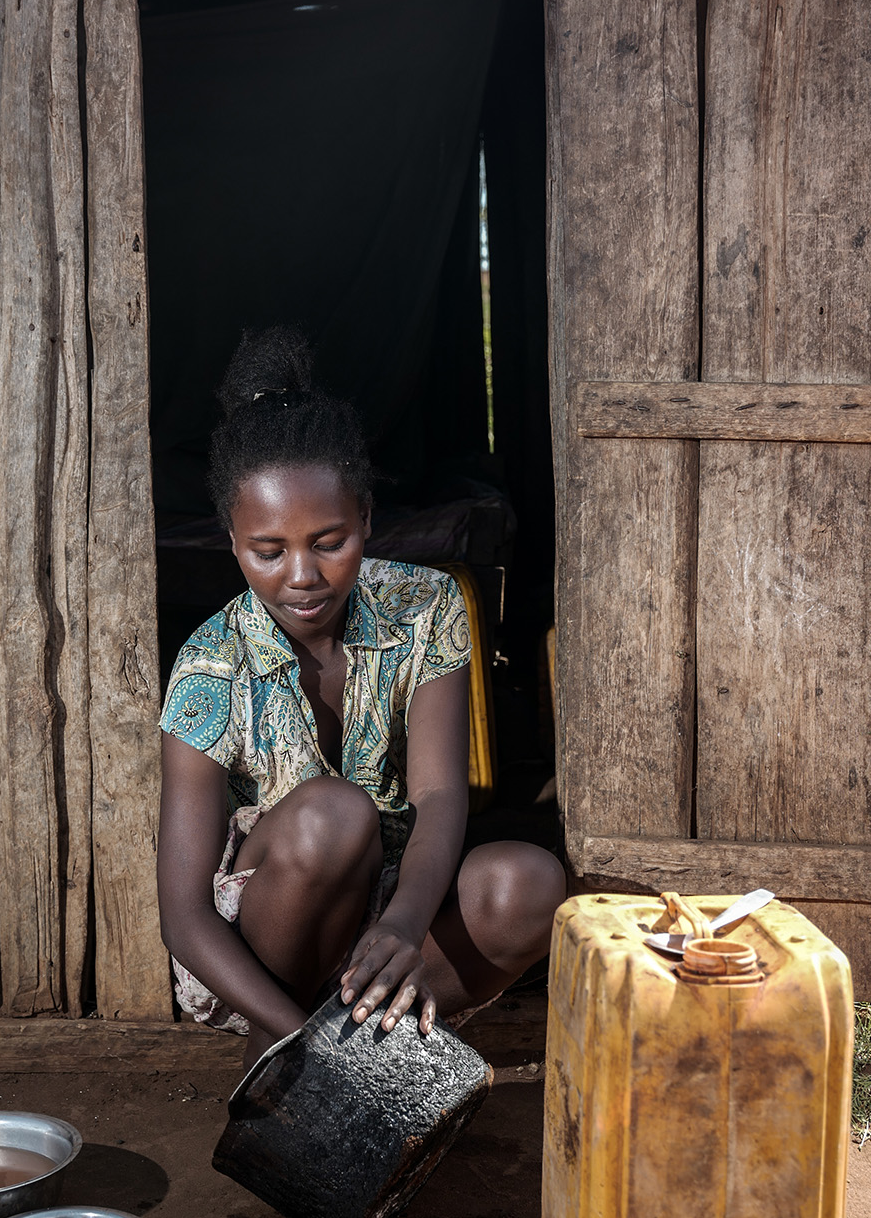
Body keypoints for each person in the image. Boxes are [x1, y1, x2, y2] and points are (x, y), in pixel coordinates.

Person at [157, 328, 566, 1068]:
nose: (302, 575)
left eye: (330, 540)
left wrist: (407, 924)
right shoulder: (207, 670)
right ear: (232, 541)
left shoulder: (426, 606)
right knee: (334, 814)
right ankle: (288, 1056)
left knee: (530, 885)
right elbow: (185, 917)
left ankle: (361, 1048)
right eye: (268, 551)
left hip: (389, 919)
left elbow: (441, 795)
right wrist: (294, 1038)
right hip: (262, 951)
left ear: (368, 522)